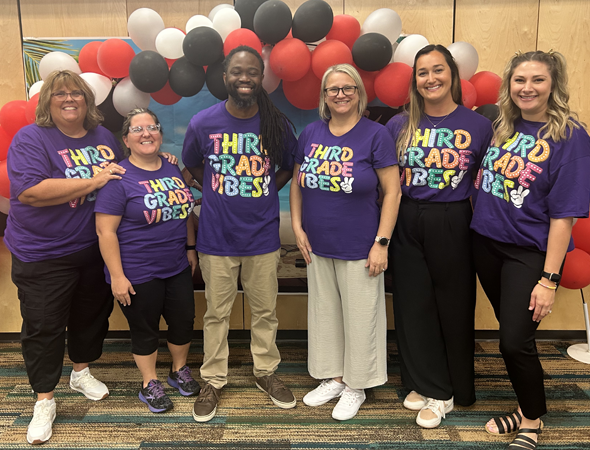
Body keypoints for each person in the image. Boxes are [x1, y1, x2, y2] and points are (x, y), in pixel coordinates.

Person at [471, 50, 590, 449]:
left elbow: (564, 217)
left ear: (553, 85)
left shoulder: (571, 138)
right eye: (519, 80)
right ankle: (525, 408)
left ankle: (533, 420)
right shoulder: (503, 125)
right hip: (486, 244)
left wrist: (549, 279)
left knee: (514, 341)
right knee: (512, 334)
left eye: (538, 80)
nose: (527, 88)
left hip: (529, 254)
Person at [4, 70, 125, 445]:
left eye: (76, 93)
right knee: (44, 326)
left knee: (91, 317)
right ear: (47, 102)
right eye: (60, 94)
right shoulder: (31, 138)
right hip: (43, 253)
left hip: (91, 249)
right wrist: (93, 181)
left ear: (88, 100)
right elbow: (30, 192)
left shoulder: (103, 137)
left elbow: (121, 174)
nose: (69, 99)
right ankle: (44, 399)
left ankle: (81, 371)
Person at [182, 45, 298, 422]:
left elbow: (289, 166)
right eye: (237, 71)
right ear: (225, 77)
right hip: (217, 237)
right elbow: (192, 164)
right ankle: (213, 380)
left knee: (265, 311)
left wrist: (268, 187)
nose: (244, 78)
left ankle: (266, 372)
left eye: (252, 72)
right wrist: (213, 187)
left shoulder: (275, 123)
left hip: (262, 236)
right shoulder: (203, 122)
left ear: (260, 77)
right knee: (217, 313)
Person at [386, 44, 493, 428]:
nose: (430, 78)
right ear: (414, 80)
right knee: (413, 305)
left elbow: (488, 180)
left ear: (452, 75)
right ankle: (422, 381)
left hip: (454, 218)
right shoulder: (399, 125)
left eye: (437, 70)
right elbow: (386, 180)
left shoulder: (479, 125)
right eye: (422, 72)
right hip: (408, 217)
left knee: (453, 304)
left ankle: (451, 391)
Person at [290, 63, 401, 421]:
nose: (340, 94)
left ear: (358, 93)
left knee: (361, 317)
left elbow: (393, 191)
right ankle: (335, 377)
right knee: (325, 315)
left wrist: (381, 242)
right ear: (324, 96)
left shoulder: (376, 135)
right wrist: (297, 227)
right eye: (333, 89)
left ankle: (358, 385)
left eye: (347, 88)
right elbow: (296, 183)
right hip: (318, 244)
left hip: (360, 245)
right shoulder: (310, 134)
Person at [95, 108, 199, 413]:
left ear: (160, 136)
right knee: (145, 329)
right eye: (138, 130)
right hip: (137, 271)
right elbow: (105, 232)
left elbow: (185, 212)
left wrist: (191, 249)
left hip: (177, 265)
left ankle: (179, 370)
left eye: (152, 127)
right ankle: (149, 382)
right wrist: (116, 276)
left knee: (183, 322)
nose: (146, 134)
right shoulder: (118, 178)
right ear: (126, 139)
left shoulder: (171, 169)